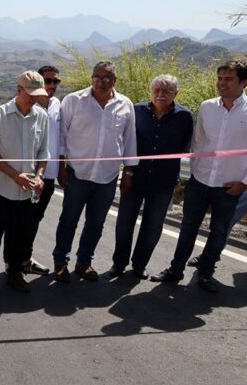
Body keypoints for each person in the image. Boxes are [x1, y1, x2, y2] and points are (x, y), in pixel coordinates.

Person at [151, 59, 247, 292]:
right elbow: (198, 143)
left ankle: (205, 273)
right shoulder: (206, 107)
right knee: (188, 228)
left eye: (228, 79)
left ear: (244, 82)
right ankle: (175, 270)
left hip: (229, 185)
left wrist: (244, 183)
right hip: (200, 180)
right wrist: (195, 173)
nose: (221, 84)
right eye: (220, 78)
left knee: (219, 232)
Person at [52, 60, 137, 282]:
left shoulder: (125, 104)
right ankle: (60, 262)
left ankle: (84, 263)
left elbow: (129, 140)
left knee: (96, 223)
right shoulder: (74, 100)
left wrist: (128, 172)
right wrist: (61, 167)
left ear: (114, 80)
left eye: (106, 77)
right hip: (76, 173)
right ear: (92, 78)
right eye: (97, 77)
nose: (101, 82)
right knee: (69, 219)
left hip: (107, 176)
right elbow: (61, 135)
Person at [109, 75, 193, 279]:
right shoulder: (136, 111)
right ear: (150, 90)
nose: (161, 94)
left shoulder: (185, 117)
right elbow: (126, 142)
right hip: (134, 178)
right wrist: (127, 173)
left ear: (176, 94)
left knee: (153, 227)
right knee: (124, 224)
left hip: (163, 182)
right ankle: (119, 264)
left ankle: (139, 264)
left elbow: (184, 147)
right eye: (157, 90)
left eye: (166, 91)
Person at [0, 71, 49, 297]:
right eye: (30, 94)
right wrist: (15, 176)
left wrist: (39, 175)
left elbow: (43, 153)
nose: (34, 99)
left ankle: (15, 273)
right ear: (18, 90)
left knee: (20, 234)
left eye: (37, 95)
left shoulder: (42, 117)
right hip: (1, 188)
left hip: (26, 192)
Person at [17, 65, 63, 276]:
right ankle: (15, 261)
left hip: (48, 176)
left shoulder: (59, 106)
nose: (52, 85)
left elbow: (62, 140)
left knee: (35, 220)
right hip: (24, 176)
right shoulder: (26, 105)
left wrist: (62, 168)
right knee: (20, 220)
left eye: (55, 82)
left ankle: (25, 258)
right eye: (48, 81)